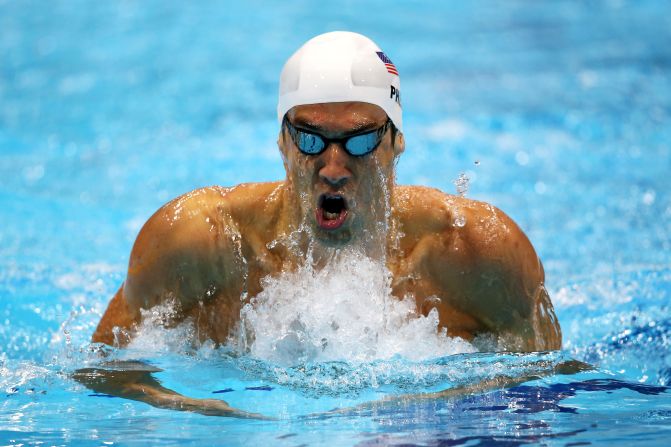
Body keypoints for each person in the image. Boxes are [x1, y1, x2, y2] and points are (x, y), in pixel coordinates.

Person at [92, 31, 561, 354]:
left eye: (359, 142)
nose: (333, 169)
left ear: (396, 142)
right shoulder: (200, 243)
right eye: (310, 139)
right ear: (281, 142)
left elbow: (550, 394)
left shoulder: (477, 252)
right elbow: (104, 377)